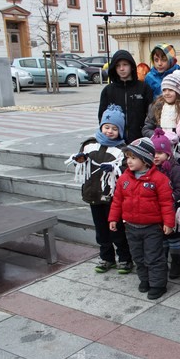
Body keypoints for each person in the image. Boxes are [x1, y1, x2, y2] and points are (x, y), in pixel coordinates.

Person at [109, 138, 176, 300]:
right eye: (127, 158)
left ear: (145, 160)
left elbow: (166, 203)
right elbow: (117, 200)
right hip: (131, 226)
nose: (129, 161)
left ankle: (158, 284)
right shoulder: (124, 179)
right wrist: (113, 218)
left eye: (133, 158)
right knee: (138, 256)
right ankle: (145, 280)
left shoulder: (159, 179)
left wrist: (168, 222)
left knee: (154, 257)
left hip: (152, 227)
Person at [69, 104, 131, 273]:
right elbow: (79, 162)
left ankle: (124, 258)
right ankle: (106, 257)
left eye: (114, 128)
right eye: (106, 127)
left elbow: (127, 170)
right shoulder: (89, 145)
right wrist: (79, 160)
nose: (109, 131)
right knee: (101, 230)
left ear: (120, 130)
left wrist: (115, 170)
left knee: (116, 229)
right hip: (93, 194)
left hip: (112, 198)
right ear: (101, 126)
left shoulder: (122, 150)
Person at [98, 50, 153, 144]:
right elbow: (102, 117)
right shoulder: (108, 90)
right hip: (116, 141)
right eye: (118, 66)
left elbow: (151, 114)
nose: (121, 69)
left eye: (125, 64)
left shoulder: (143, 88)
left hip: (139, 139)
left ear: (131, 66)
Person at [151, 128, 180, 279]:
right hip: (157, 209)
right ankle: (163, 262)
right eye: (153, 153)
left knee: (173, 238)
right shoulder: (152, 169)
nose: (155, 157)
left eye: (159, 153)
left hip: (172, 208)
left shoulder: (175, 169)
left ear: (168, 153)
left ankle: (176, 262)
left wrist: (168, 198)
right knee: (162, 237)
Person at [142, 71, 180, 144]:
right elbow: (146, 129)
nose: (167, 93)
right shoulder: (156, 106)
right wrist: (160, 136)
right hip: (159, 146)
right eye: (164, 90)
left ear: (178, 91)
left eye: (170, 90)